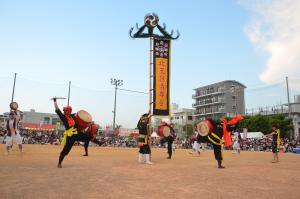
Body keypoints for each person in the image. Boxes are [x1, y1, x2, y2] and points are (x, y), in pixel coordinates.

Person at [53, 98, 97, 168]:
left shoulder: (72, 116)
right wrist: (55, 101)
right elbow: (57, 110)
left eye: (66, 110)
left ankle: (98, 142)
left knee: (88, 136)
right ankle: (59, 163)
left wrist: (89, 123)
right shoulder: (64, 117)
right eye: (64, 110)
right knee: (66, 151)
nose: (64, 111)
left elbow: (79, 117)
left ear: (69, 111)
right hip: (70, 136)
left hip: (76, 133)